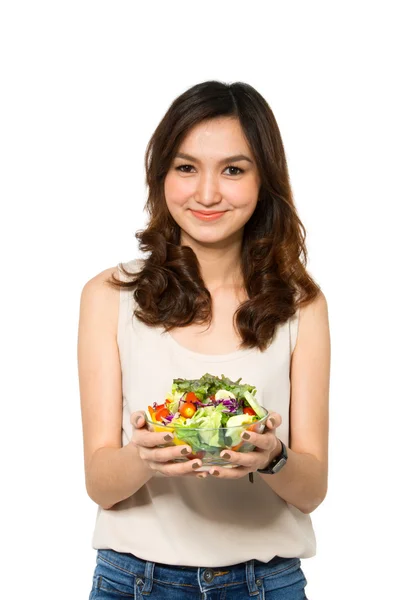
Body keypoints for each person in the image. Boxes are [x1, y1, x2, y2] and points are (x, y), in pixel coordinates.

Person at [78, 80, 330, 600]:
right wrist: (145, 455)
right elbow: (100, 484)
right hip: (134, 581)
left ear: (265, 180)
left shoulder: (301, 304)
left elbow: (312, 491)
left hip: (265, 583)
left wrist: (272, 456)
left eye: (233, 170)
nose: (208, 193)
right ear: (161, 175)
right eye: (186, 168)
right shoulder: (108, 295)